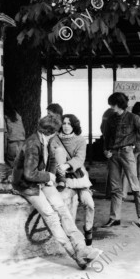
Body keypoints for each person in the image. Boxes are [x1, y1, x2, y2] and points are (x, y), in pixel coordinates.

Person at [12, 115, 101, 269]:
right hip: (27, 185)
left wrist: (49, 176)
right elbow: (28, 174)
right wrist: (49, 176)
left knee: (63, 210)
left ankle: (81, 247)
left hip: (41, 180)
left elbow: (52, 160)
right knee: (51, 216)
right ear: (50, 132)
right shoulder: (33, 144)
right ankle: (76, 255)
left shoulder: (46, 140)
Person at [102, 92, 140, 228]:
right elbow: (106, 136)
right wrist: (106, 150)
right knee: (115, 188)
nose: (112, 107)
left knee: (135, 186)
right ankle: (114, 218)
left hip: (126, 154)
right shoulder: (110, 118)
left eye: (113, 105)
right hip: (113, 155)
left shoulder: (133, 118)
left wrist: (134, 146)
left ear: (119, 104)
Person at [49, 114, 95, 245]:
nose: (66, 126)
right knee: (70, 207)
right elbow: (52, 160)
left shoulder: (80, 140)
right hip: (64, 179)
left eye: (69, 124)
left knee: (89, 203)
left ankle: (88, 229)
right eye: (64, 123)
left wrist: (67, 165)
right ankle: (74, 240)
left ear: (74, 125)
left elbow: (80, 158)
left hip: (79, 178)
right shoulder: (55, 140)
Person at [4, 99, 26, 168]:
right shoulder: (18, 115)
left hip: (12, 143)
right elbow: (23, 130)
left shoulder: (5, 116)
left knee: (11, 168)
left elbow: (5, 133)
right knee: (20, 167)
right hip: (22, 143)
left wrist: (4, 149)